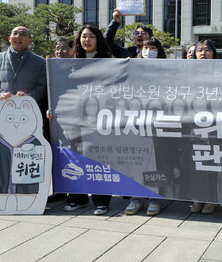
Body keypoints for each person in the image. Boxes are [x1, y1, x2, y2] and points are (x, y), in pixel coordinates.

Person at [69, 24, 116, 215]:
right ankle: (77, 198)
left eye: (91, 37)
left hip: (100, 117)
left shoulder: (108, 61)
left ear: (98, 39)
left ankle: (101, 201)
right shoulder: (70, 62)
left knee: (99, 158)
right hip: (75, 118)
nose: (86, 40)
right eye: (83, 37)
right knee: (75, 157)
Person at [125, 38, 167, 217]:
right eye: (145, 47)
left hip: (158, 124)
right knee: (137, 161)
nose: (148, 50)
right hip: (136, 122)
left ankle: (154, 199)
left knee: (156, 161)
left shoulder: (167, 71)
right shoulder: (132, 69)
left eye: (152, 48)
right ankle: (136, 198)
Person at [189, 39, 219, 214]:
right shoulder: (189, 73)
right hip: (193, 128)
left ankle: (211, 199)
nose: (203, 53)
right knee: (195, 166)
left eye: (207, 49)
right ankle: (197, 198)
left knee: (212, 167)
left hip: (215, 128)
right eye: (200, 50)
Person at [0, 26, 46, 106]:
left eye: (23, 34)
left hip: (29, 111)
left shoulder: (41, 62)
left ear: (30, 41)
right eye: (15, 33)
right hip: (2, 109)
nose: (18, 36)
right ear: (9, 38)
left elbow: (42, 86)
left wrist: (29, 97)